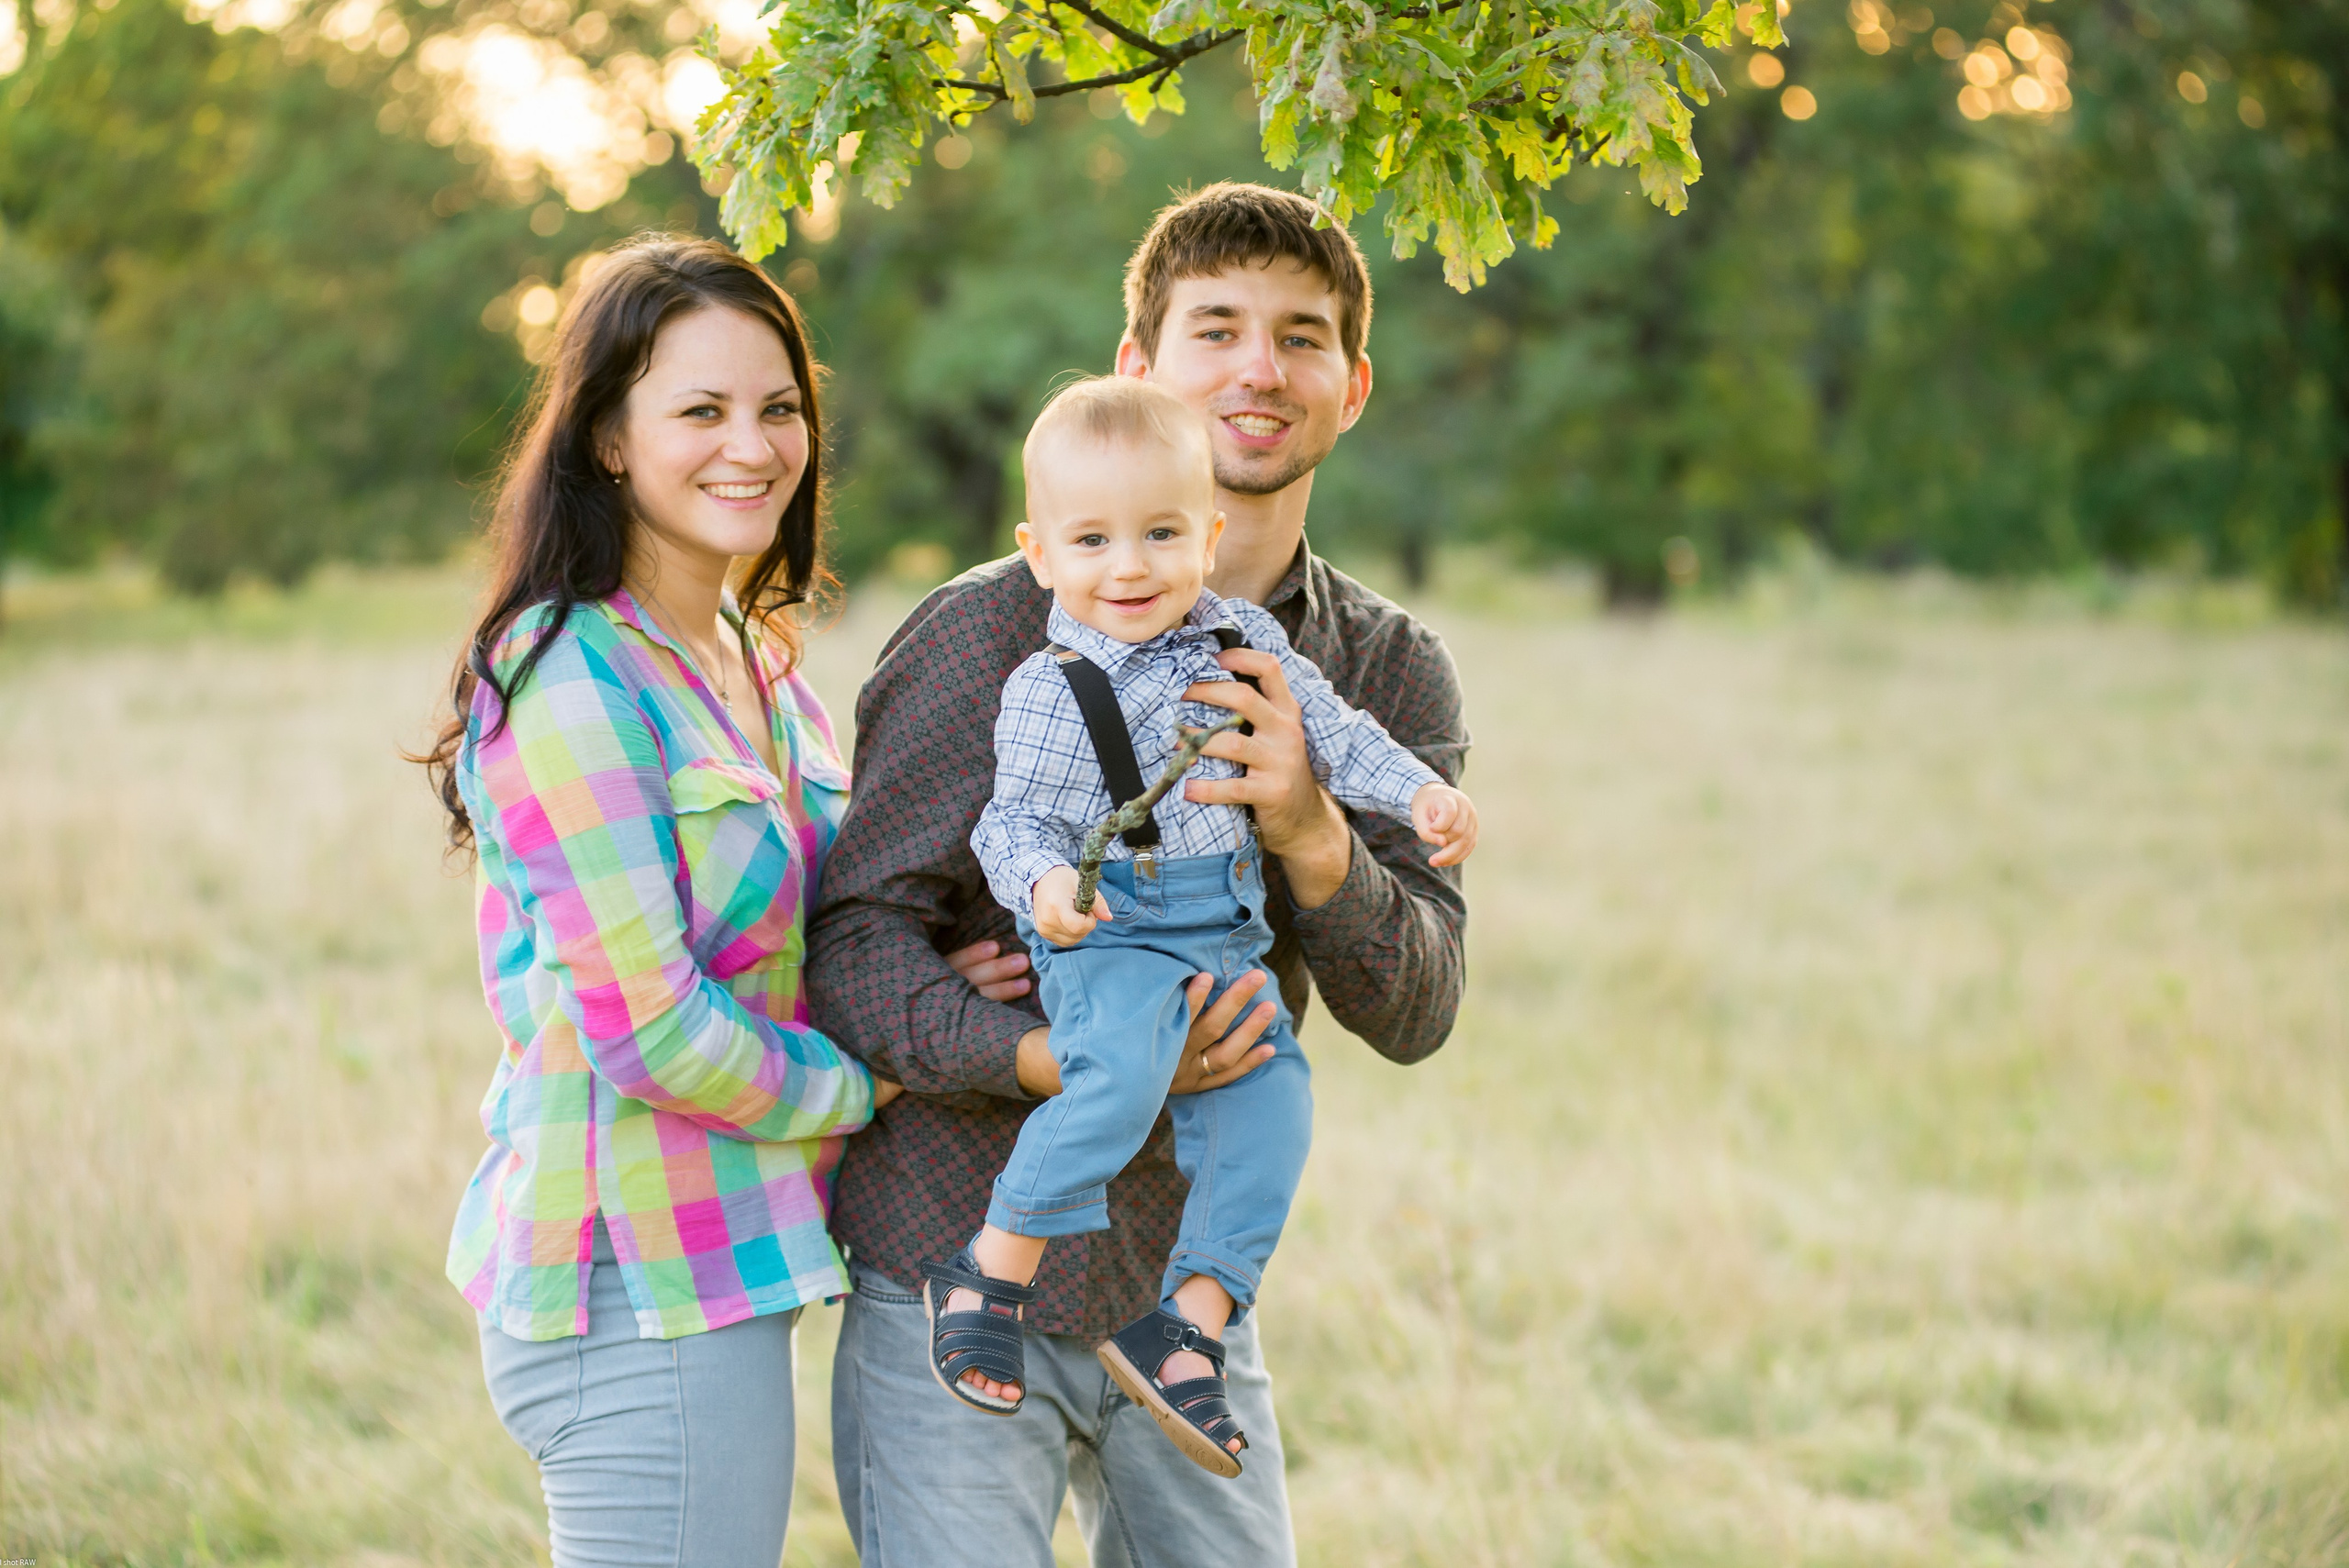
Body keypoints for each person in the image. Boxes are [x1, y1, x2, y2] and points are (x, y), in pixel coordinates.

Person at [807, 183, 1473, 1564]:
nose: (1257, 368)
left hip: (1184, 1293)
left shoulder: (1386, 666)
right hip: (951, 1242)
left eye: (1301, 338)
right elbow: (853, 948)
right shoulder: (983, 634)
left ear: (1351, 388)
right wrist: (1040, 1049)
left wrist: (1311, 832)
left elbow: (1416, 1013)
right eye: (1214, 328)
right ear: (1138, 372)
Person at [413, 234, 1013, 1568]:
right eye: (701, 408)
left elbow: (807, 934)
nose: (754, 443)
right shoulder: (570, 671)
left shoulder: (752, 660)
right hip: (635, 1283)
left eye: (779, 406)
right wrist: (883, 1077)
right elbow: (653, 1029)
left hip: (726, 1260)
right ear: (611, 437)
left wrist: (932, 993)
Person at [925, 376, 1479, 1480]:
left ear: (1207, 535)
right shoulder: (1047, 685)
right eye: (1092, 540)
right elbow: (1014, 817)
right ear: (1040, 553)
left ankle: (1188, 1320)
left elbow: (1336, 733)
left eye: (1161, 534)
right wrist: (1042, 889)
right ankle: (989, 1269)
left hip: (1221, 936)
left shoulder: (1243, 640)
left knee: (1275, 1100)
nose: (1127, 566)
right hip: (1113, 930)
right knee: (1121, 1079)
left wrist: (1416, 793)